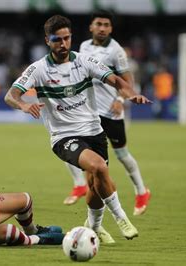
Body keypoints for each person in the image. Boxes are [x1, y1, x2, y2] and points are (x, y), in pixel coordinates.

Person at [4, 15, 151, 242]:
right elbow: (10, 95)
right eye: (57, 40)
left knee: (96, 183)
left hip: (94, 132)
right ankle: (122, 218)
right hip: (64, 137)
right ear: (47, 40)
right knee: (98, 166)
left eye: (66, 38)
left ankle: (93, 228)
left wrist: (131, 95)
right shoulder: (38, 69)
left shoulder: (84, 61)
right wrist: (23, 104)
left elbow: (116, 80)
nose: (63, 44)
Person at [62, 10, 151, 219]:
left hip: (111, 112)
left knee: (121, 154)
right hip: (89, 112)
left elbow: (128, 80)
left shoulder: (116, 51)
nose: (102, 28)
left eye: (106, 25)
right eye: (98, 24)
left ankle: (141, 191)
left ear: (111, 28)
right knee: (69, 142)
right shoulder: (84, 46)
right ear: (91, 27)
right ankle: (79, 185)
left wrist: (121, 100)